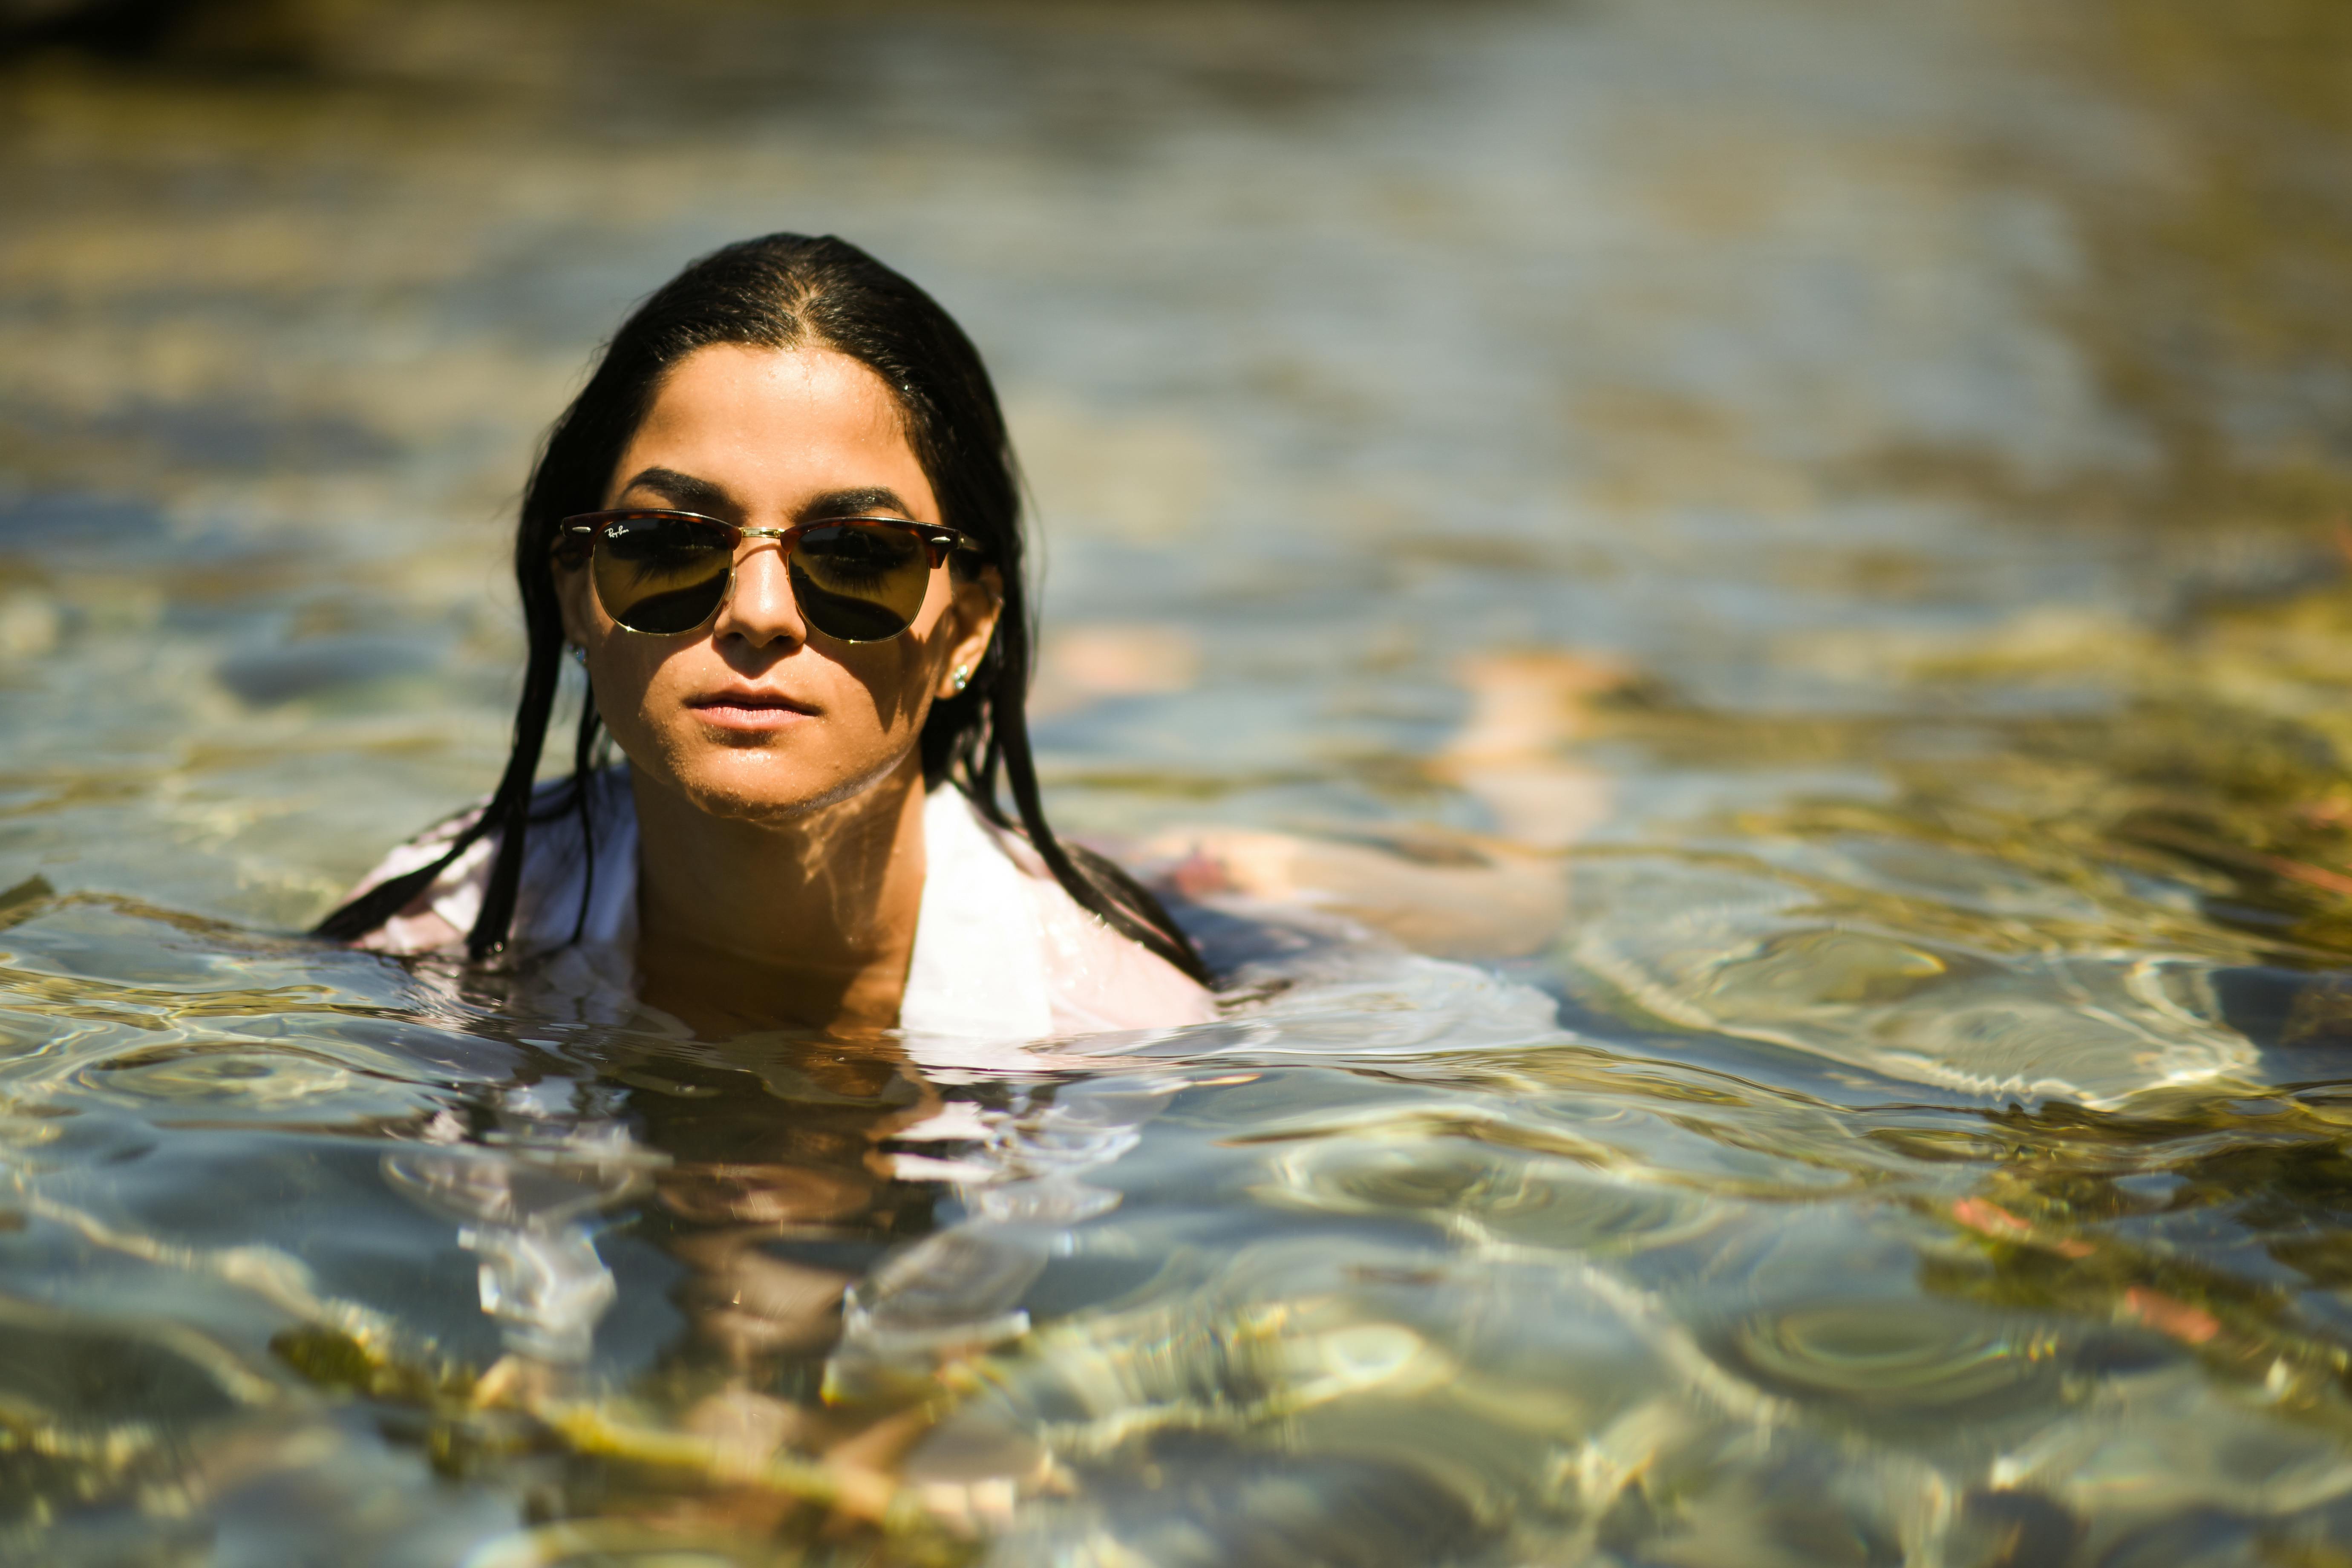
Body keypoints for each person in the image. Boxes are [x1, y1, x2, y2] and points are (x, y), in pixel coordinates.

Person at [317, 233, 1217, 1041]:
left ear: (968, 631)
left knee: (1228, 877)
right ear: (574, 597)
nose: (758, 611)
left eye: (861, 555)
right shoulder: (434, 938)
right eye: (670, 541)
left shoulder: (1112, 1020)